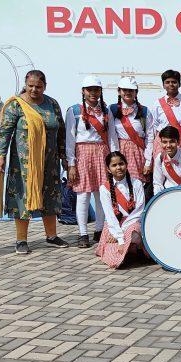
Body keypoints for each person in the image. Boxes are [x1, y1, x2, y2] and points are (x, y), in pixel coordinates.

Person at [0, 69, 69, 255]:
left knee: (50, 196)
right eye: (31, 86)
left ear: (45, 87)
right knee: (22, 198)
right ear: (25, 85)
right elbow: (5, 133)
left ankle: (51, 236)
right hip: (24, 164)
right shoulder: (16, 105)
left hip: (49, 162)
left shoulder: (52, 104)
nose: (34, 89)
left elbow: (61, 132)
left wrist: (64, 156)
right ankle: (21, 240)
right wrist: (0, 156)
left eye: (39, 86)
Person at [65, 75, 109, 247]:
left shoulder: (106, 110)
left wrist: (113, 157)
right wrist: (71, 164)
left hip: (102, 153)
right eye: (89, 89)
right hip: (82, 154)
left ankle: (99, 230)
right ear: (83, 91)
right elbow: (70, 139)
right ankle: (83, 233)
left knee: (101, 194)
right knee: (83, 195)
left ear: (100, 91)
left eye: (96, 89)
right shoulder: (74, 111)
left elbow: (112, 136)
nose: (93, 93)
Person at [96, 151, 146, 269]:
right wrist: (119, 236)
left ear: (126, 164)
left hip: (133, 222)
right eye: (114, 165)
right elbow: (110, 215)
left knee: (133, 234)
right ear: (108, 169)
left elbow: (139, 210)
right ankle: (126, 252)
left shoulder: (137, 183)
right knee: (114, 261)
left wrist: (123, 230)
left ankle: (139, 250)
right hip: (115, 225)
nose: (118, 167)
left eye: (121, 164)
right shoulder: (104, 188)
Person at [108, 76, 153, 184]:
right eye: (125, 90)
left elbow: (150, 136)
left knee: (137, 183)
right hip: (120, 150)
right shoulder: (112, 109)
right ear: (119, 91)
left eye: (131, 90)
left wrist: (148, 161)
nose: (128, 93)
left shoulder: (144, 111)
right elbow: (111, 135)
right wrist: (115, 155)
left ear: (136, 92)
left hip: (138, 152)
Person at [151, 69, 181, 162]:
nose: (171, 84)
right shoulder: (157, 103)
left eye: (174, 82)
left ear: (179, 84)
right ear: (163, 85)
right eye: (167, 82)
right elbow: (155, 125)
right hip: (162, 144)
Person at [152, 125, 181, 191]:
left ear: (178, 142)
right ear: (161, 143)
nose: (168, 145)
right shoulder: (160, 158)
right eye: (165, 142)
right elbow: (157, 184)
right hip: (168, 193)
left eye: (172, 141)